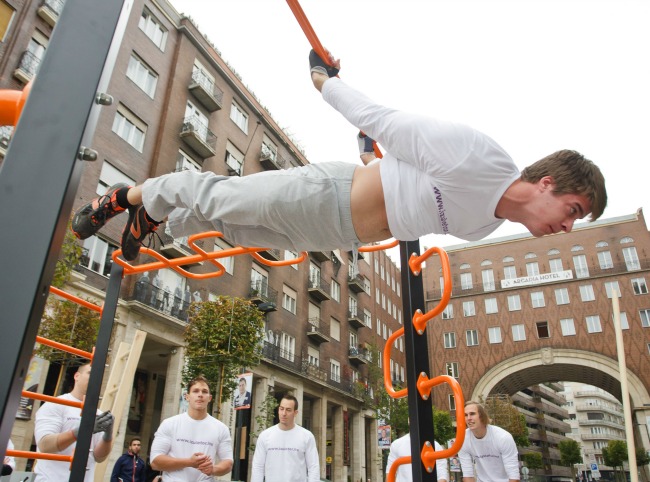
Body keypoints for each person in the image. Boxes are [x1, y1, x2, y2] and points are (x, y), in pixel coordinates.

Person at [71, 50, 607, 262]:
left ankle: (153, 216)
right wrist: (324, 81)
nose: (568, 226)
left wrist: (366, 157)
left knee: (228, 226)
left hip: (335, 234)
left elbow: (404, 186)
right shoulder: (481, 158)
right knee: (221, 194)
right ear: (548, 184)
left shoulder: (486, 227)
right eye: (575, 211)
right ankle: (123, 197)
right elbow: (387, 123)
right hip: (327, 194)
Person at [33, 362, 114, 481]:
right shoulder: (56, 404)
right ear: (77, 376)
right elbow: (44, 445)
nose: (95, 378)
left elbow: (99, 457)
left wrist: (108, 436)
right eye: (90, 373)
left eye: (99, 375)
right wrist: (81, 431)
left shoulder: (99, 414)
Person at [149, 376, 233, 481]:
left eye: (204, 391)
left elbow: (228, 463)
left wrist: (213, 469)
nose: (200, 395)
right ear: (187, 397)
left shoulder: (221, 428)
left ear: (210, 398)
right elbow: (155, 462)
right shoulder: (169, 424)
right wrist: (190, 462)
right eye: (195, 391)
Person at [251, 394, 319, 482]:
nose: (284, 413)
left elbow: (313, 467)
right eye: (281, 409)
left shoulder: (307, 436)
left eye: (288, 410)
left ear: (295, 413)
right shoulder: (265, 436)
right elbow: (258, 467)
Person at [458, 401, 519, 482]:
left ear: (482, 416)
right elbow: (468, 475)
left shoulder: (503, 437)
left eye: (472, 414)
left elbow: (514, 476)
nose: (469, 418)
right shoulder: (462, 439)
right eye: (465, 415)